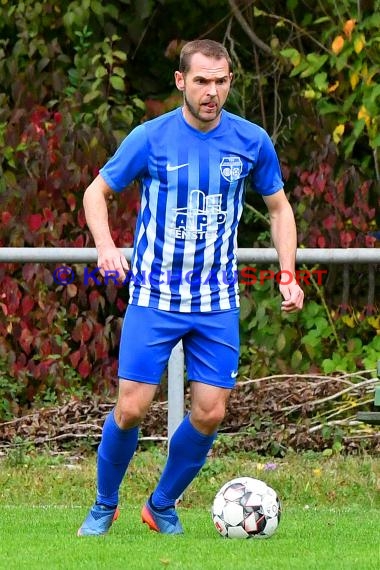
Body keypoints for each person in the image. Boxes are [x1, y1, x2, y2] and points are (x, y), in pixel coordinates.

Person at [77, 39, 304, 537]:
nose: (212, 92)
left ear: (229, 83)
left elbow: (279, 208)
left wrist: (287, 271)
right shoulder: (150, 138)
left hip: (216, 301)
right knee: (132, 407)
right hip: (154, 296)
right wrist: (105, 246)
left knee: (210, 412)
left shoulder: (251, 141)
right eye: (202, 81)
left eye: (221, 81)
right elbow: (98, 191)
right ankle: (103, 503)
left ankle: (160, 505)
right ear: (181, 81)